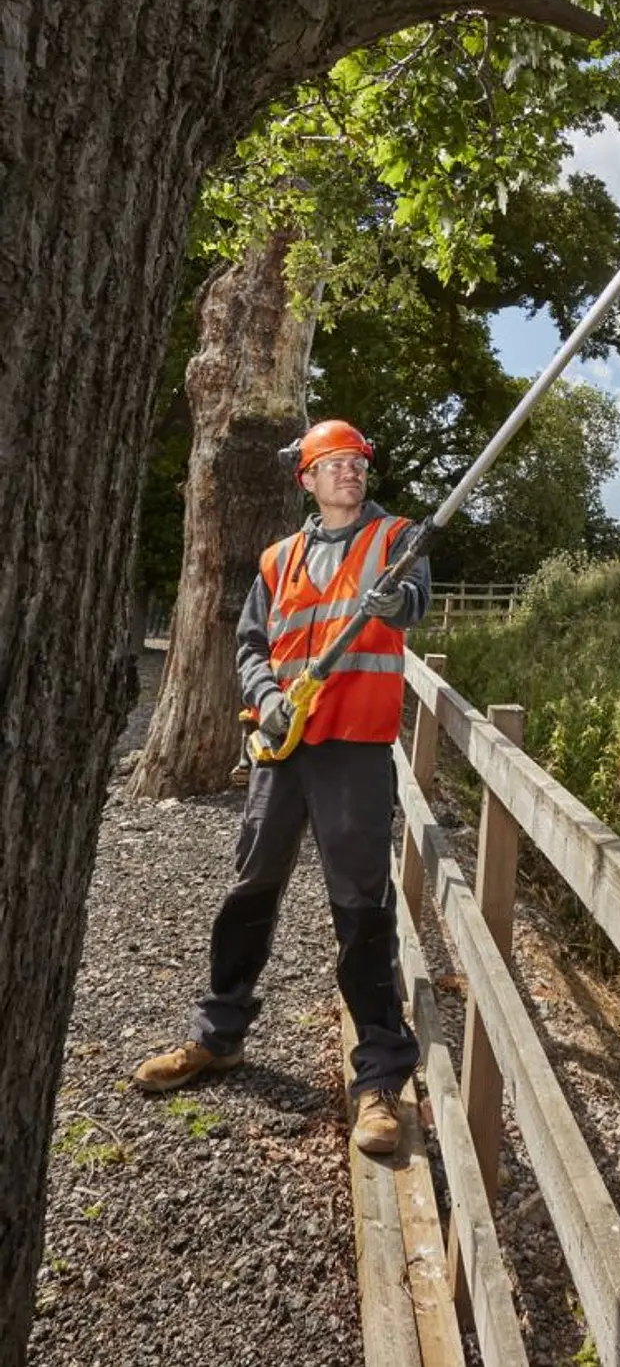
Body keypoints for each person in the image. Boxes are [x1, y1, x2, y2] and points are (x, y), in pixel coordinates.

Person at [134, 419, 430, 1158]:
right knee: (250, 888)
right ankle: (218, 1034)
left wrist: (390, 600)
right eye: (335, 464)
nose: (350, 474)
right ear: (306, 477)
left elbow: (413, 604)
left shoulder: (396, 540)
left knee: (362, 907)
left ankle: (378, 1081)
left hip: (355, 751)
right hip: (284, 746)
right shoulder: (278, 558)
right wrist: (266, 698)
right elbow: (250, 642)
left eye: (358, 463)